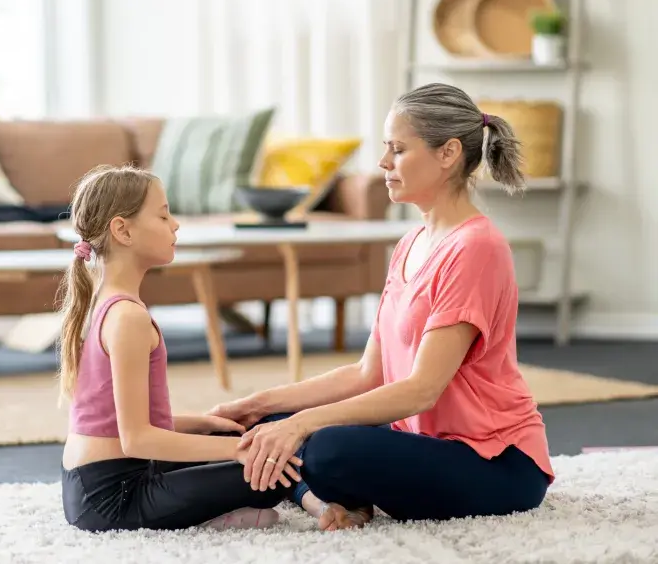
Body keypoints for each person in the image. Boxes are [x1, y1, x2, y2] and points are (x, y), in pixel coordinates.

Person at [209, 82, 555, 531]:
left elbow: (420, 390)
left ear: (448, 153)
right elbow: (366, 374)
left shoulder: (476, 248)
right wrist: (259, 404)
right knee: (272, 424)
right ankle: (324, 499)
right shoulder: (411, 243)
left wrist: (302, 426)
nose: (383, 162)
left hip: (493, 462)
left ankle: (320, 493)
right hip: (420, 441)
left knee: (324, 447)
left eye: (397, 149)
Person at [58, 164, 303, 532]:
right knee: (269, 470)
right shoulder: (127, 318)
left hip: (95, 482)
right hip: (113, 498)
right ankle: (228, 514)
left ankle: (225, 496)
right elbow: (137, 438)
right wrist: (239, 452)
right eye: (163, 215)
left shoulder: (103, 303)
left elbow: (114, 420)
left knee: (236, 439)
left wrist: (204, 424)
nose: (175, 225)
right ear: (122, 230)